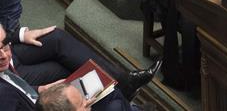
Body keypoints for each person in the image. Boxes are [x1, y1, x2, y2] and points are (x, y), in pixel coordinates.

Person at [0, 24, 154, 111]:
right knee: (111, 100)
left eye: (4, 46)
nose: (4, 55)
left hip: (26, 83)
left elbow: (18, 87)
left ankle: (125, 84)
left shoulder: (6, 67)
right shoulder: (4, 96)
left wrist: (40, 88)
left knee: (58, 40)